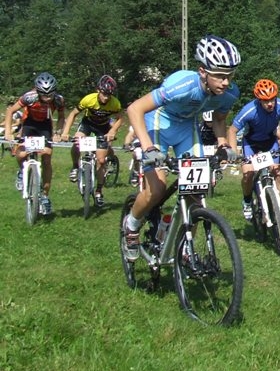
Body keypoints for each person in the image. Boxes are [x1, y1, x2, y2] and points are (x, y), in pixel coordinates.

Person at [122, 35, 241, 261]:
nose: (226, 82)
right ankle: (132, 225)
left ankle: (184, 248)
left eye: (230, 76)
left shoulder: (229, 94)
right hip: (159, 123)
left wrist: (223, 143)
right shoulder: (182, 85)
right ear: (202, 71)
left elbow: (219, 119)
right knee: (156, 189)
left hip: (187, 127)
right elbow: (135, 109)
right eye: (219, 75)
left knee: (196, 192)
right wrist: (148, 148)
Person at [227, 79, 280, 221]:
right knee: (248, 174)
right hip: (251, 144)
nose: (270, 104)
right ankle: (247, 201)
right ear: (259, 100)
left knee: (277, 173)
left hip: (270, 142)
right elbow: (232, 130)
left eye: (272, 99)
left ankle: (279, 212)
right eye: (265, 101)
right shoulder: (249, 110)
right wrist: (234, 153)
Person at [4, 72, 66, 215]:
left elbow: (61, 117)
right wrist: (8, 131)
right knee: (21, 153)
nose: (48, 98)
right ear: (38, 92)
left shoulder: (58, 100)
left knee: (47, 156)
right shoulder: (29, 97)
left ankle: (45, 196)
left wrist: (58, 133)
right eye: (44, 95)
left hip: (45, 126)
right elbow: (10, 111)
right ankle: (21, 172)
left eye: (50, 94)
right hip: (29, 124)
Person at [61, 75, 123, 207]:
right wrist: (65, 132)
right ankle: (75, 166)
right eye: (104, 94)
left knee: (101, 161)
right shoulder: (89, 99)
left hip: (103, 127)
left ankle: (99, 191)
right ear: (98, 90)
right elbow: (73, 114)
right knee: (77, 141)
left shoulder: (115, 103)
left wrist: (112, 131)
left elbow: (120, 118)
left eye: (109, 95)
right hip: (87, 124)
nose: (106, 97)